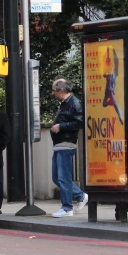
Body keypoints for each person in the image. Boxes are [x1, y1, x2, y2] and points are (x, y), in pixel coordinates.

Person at [49, 78, 87, 217]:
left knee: (63, 177)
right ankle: (80, 195)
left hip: (66, 144)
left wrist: (60, 126)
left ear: (61, 90)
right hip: (60, 144)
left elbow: (79, 122)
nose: (53, 93)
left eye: (54, 90)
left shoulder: (74, 103)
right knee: (56, 177)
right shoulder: (66, 103)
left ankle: (67, 208)